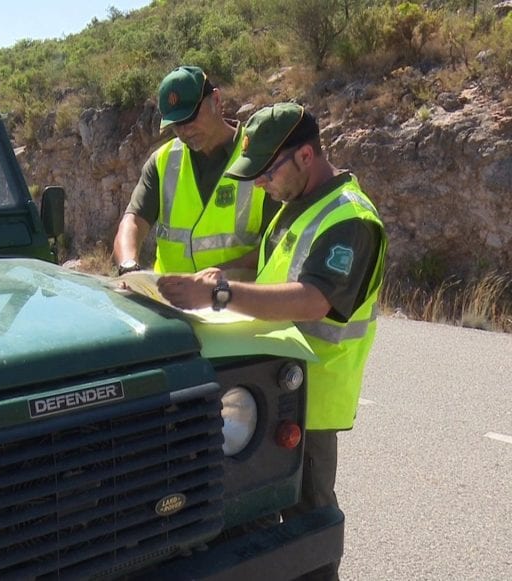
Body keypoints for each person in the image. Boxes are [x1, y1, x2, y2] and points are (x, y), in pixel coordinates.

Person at [156, 102, 387, 580]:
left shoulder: (351, 219)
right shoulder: (295, 207)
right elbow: (272, 277)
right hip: (267, 387)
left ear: (305, 156)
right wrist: (225, 275)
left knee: (309, 524)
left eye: (266, 172)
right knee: (253, 521)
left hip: (312, 397)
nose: (259, 184)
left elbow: (312, 299)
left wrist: (221, 293)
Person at [112, 65, 280, 276]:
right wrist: (128, 265)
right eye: (176, 124)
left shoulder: (262, 158)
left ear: (216, 101)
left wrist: (212, 277)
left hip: (236, 302)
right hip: (168, 302)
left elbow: (277, 242)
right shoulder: (163, 161)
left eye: (190, 118)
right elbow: (132, 222)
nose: (184, 130)